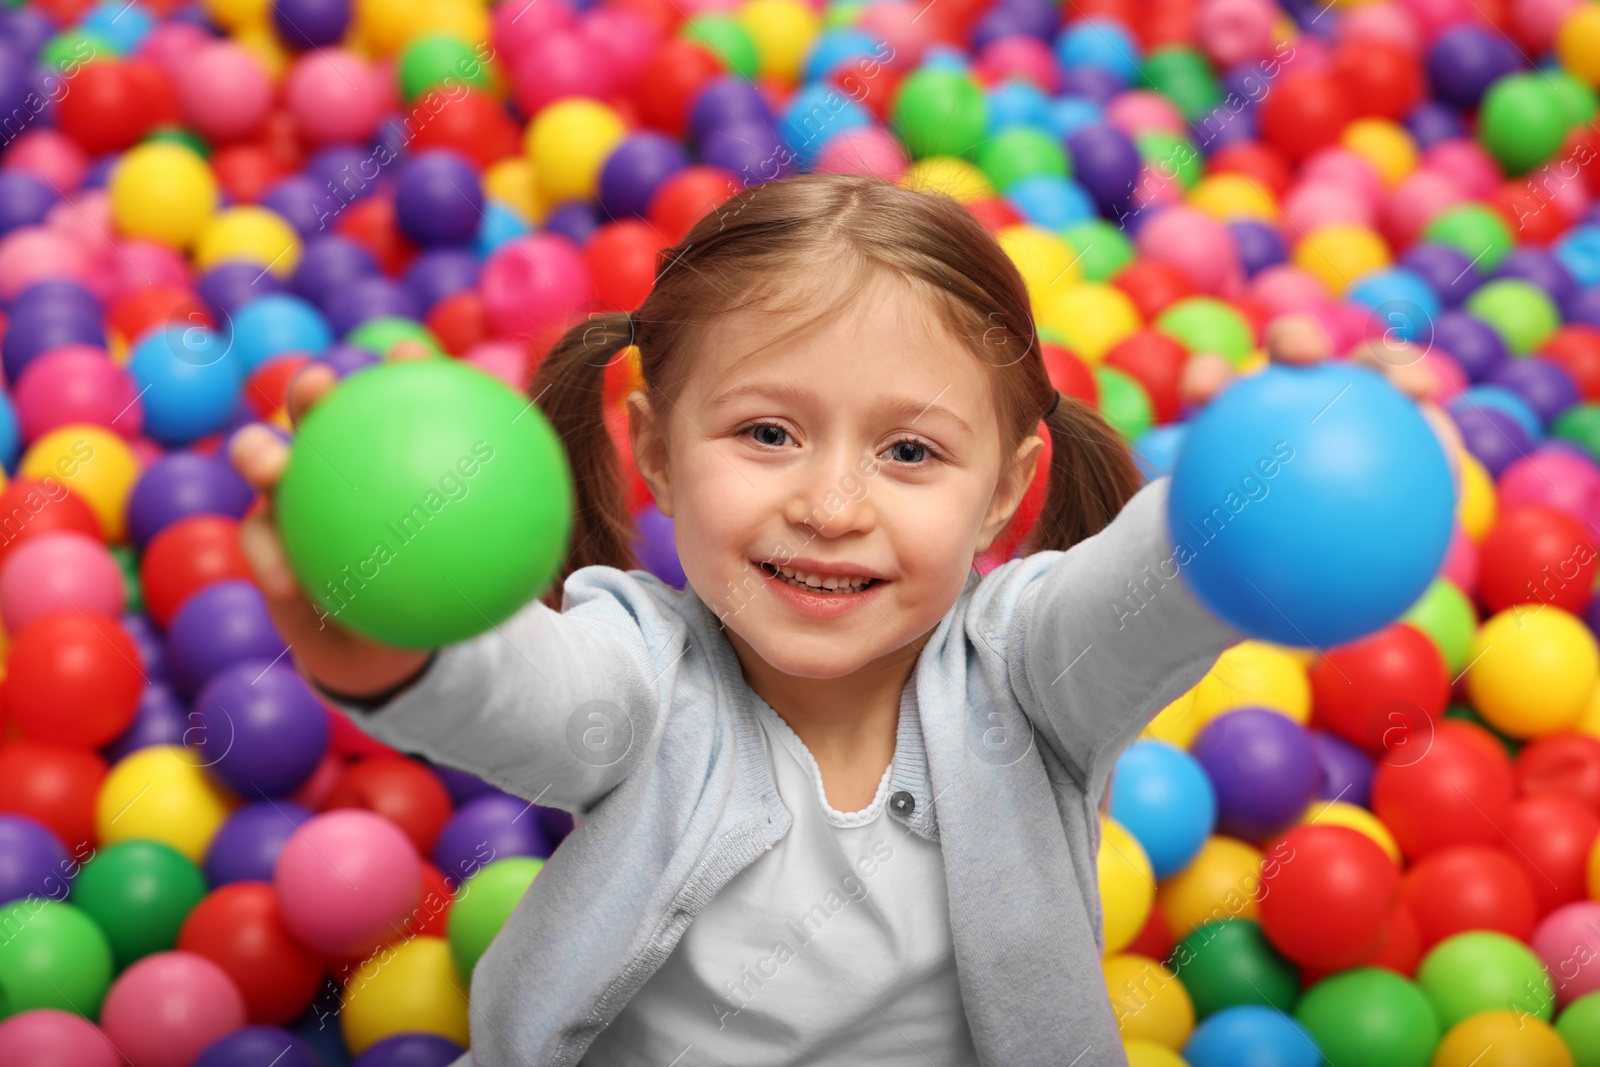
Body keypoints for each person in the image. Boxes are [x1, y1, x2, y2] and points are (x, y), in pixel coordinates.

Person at [229, 172, 1442, 1067]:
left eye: (910, 451)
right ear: (652, 448)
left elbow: (1147, 589)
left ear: (1003, 495)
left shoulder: (1030, 673)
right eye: (766, 432)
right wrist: (391, 639)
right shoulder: (645, 672)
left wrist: (1291, 469)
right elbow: (527, 691)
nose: (829, 503)